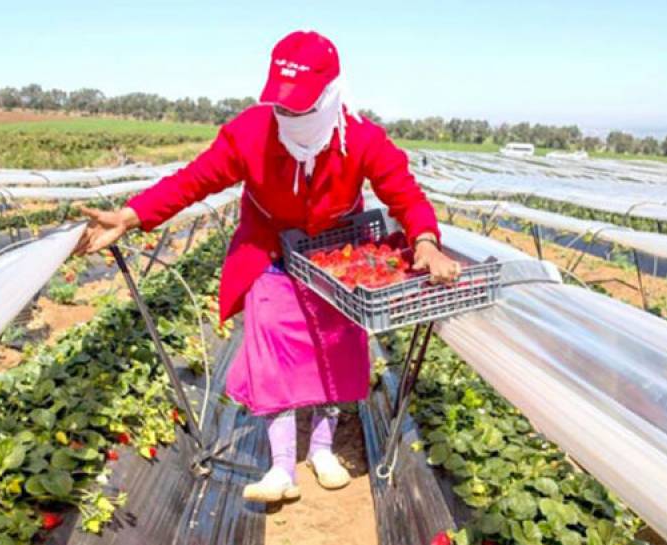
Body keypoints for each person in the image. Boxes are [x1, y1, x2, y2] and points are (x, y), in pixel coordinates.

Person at [74, 30, 459, 503]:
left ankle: (321, 450)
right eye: (283, 105)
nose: (290, 115)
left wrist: (425, 240)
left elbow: (405, 192)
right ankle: (281, 467)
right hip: (270, 252)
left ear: (330, 96)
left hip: (337, 262)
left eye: (302, 107)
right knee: (274, 349)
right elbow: (194, 180)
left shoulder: (360, 138)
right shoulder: (250, 133)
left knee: (336, 352)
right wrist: (133, 215)